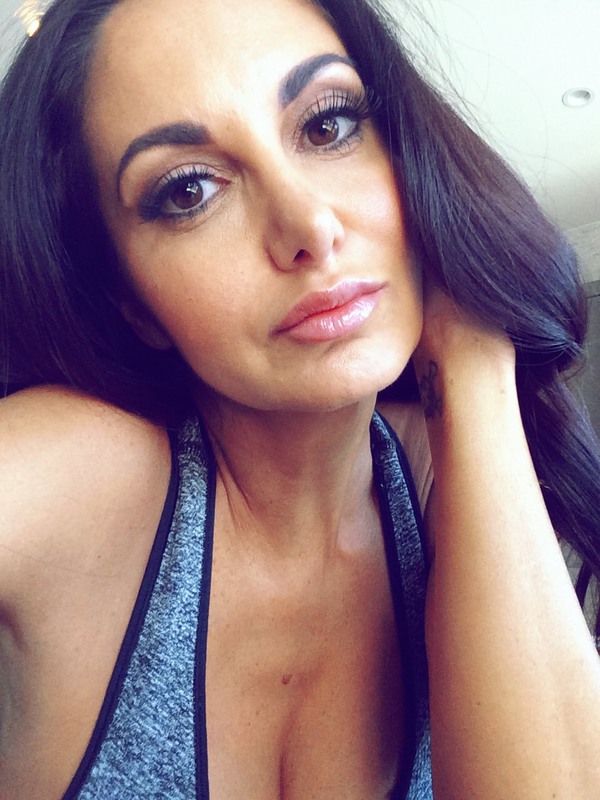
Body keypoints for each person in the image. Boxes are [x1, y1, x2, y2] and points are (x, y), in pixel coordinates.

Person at [0, 0, 599, 797]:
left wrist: (473, 357)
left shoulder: (447, 476)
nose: (310, 224)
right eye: (188, 190)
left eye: (327, 125)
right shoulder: (81, 476)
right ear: (131, 301)